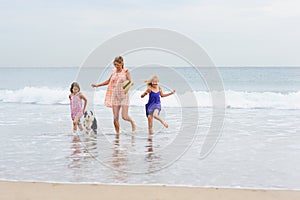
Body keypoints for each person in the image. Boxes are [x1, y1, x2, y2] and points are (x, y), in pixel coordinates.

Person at [91, 56, 135, 134]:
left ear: (121, 64)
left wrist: (127, 84)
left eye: (117, 64)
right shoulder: (113, 72)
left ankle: (132, 122)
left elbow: (131, 82)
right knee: (115, 118)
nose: (116, 66)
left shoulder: (126, 72)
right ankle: (117, 134)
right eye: (115, 64)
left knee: (124, 117)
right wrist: (97, 85)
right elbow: (108, 81)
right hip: (115, 96)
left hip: (124, 96)